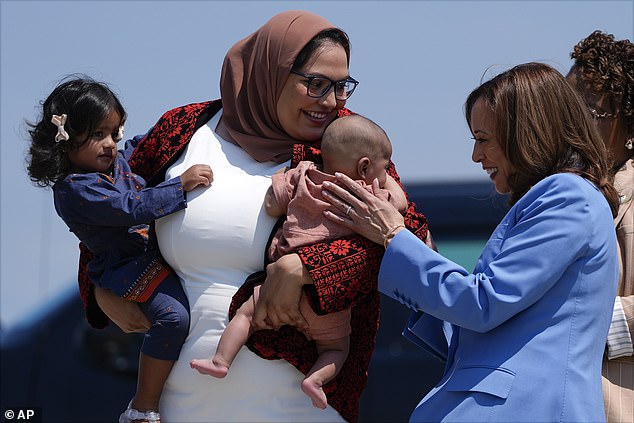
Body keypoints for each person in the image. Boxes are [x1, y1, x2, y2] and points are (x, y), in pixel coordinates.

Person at [74, 11, 429, 423]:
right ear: (271, 71)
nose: (330, 102)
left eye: (341, 87)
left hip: (304, 411)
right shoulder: (183, 129)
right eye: (315, 84)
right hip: (180, 407)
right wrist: (98, 289)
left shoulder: (347, 142)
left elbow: (410, 240)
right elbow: (99, 206)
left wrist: (304, 267)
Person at [321, 62, 620, 422]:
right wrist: (414, 245)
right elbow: (483, 320)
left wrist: (393, 235)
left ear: (525, 134)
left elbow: (483, 303)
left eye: (483, 139)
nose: (476, 156)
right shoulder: (560, 198)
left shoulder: (567, 195)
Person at [25, 76, 213, 423]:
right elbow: (129, 206)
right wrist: (180, 186)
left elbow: (156, 140)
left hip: (154, 255)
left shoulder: (119, 162)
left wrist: (209, 116)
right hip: (130, 268)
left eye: (114, 133)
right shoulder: (73, 191)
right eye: (97, 135)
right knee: (173, 318)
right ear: (64, 139)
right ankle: (142, 407)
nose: (110, 144)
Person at [189, 114, 408, 410]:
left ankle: (221, 360)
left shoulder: (304, 175)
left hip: (271, 291)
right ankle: (314, 380)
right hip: (325, 302)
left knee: (244, 317)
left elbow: (271, 204)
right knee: (336, 349)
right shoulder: (368, 198)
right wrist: (386, 184)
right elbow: (400, 210)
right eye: (385, 168)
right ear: (365, 167)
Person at [566, 30, 634, 422]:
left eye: (590, 110)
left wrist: (576, 320)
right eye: (569, 108)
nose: (575, 123)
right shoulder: (572, 186)